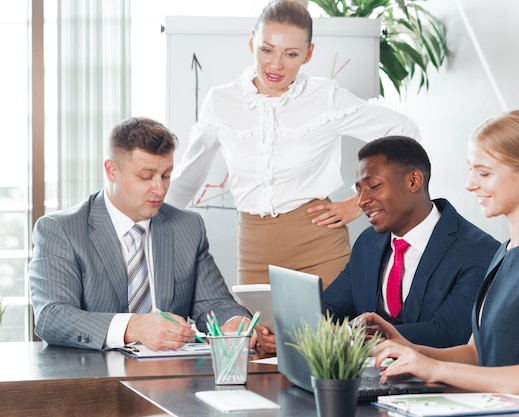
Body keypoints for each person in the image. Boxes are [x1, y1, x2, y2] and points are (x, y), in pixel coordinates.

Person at [165, 0, 420, 287]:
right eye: (266, 50)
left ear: (308, 54)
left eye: (291, 54)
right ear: (252, 43)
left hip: (320, 247)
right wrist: (149, 222)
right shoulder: (221, 101)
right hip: (254, 250)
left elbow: (403, 130)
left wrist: (361, 202)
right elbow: (188, 177)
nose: (276, 64)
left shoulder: (324, 97)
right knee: (259, 332)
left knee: (325, 334)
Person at [366, 110, 519, 416]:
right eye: (472, 171)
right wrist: (409, 348)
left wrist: (433, 369)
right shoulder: (507, 250)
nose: (470, 184)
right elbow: (475, 354)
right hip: (494, 406)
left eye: (484, 173)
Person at [29, 117, 252, 351]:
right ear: (112, 170)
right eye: (146, 177)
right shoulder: (60, 230)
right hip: (94, 376)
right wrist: (133, 327)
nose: (160, 188)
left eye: (166, 175)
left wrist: (233, 322)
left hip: (170, 376)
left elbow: (213, 302)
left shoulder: (188, 226)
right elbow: (52, 316)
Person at [323, 136, 499, 348]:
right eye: (359, 190)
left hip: (436, 379)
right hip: (366, 378)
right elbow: (328, 311)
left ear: (414, 181)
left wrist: (355, 337)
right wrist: (278, 332)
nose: (362, 201)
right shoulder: (368, 243)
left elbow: (449, 333)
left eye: (374, 186)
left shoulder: (480, 251)